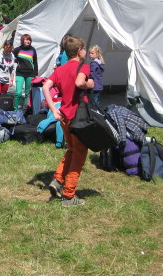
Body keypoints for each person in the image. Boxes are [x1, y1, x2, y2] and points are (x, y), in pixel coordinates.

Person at [43, 36, 94, 207]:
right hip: (79, 118)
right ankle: (68, 195)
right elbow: (80, 82)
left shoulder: (60, 69)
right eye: (84, 49)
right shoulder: (83, 66)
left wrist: (53, 109)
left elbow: (45, 86)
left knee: (72, 150)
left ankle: (57, 180)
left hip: (64, 117)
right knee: (79, 155)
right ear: (79, 51)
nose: (85, 52)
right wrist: (90, 83)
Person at [13, 33, 38, 110]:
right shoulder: (17, 50)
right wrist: (16, 61)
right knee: (18, 93)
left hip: (30, 74)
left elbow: (35, 62)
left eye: (29, 40)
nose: (28, 41)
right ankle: (15, 110)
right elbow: (11, 58)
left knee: (28, 93)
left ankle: (25, 109)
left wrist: (36, 74)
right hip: (20, 73)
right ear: (22, 40)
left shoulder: (32, 50)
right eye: (26, 40)